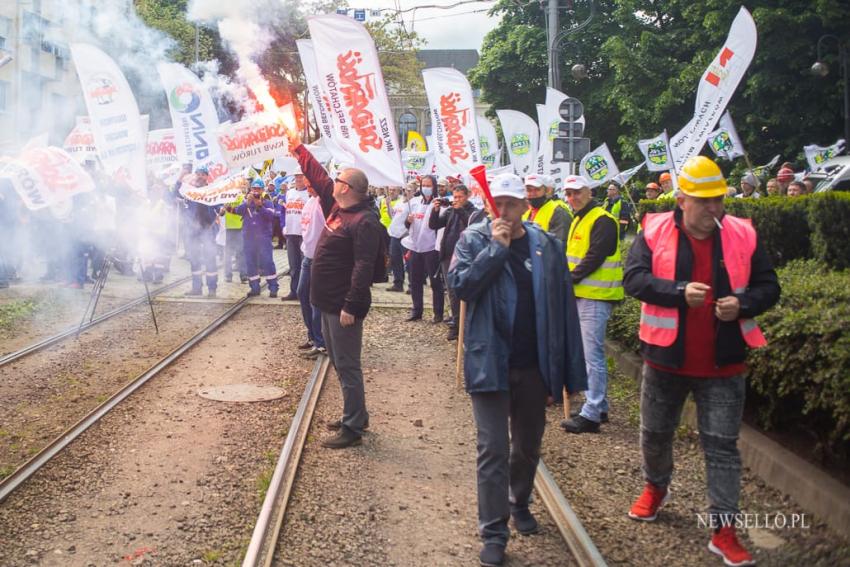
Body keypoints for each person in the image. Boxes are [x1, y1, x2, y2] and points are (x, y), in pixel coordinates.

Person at [623, 155, 780, 567]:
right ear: (681, 199)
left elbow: (769, 287)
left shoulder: (743, 233)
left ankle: (723, 529)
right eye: (704, 200)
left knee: (722, 447)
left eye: (719, 200)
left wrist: (743, 304)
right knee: (655, 434)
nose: (714, 209)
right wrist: (676, 291)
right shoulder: (653, 230)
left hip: (724, 365)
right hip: (664, 360)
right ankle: (656, 488)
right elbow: (633, 280)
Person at [448, 173, 586, 567]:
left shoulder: (546, 246)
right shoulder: (474, 240)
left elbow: (563, 311)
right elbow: (461, 288)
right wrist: (495, 249)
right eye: (498, 203)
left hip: (533, 366)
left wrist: (570, 376)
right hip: (489, 359)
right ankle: (493, 531)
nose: (504, 211)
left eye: (511, 203)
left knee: (526, 446)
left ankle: (519, 500)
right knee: (491, 448)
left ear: (526, 205)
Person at [288, 129, 385, 449]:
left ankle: (353, 427)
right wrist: (299, 149)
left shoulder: (364, 220)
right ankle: (355, 414)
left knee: (347, 364)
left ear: (349, 189)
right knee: (338, 361)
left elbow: (363, 267)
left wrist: (352, 305)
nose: (332, 183)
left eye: (339, 180)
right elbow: (318, 175)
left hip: (343, 305)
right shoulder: (338, 208)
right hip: (326, 301)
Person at [560, 175, 623, 434]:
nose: (572, 197)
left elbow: (595, 256)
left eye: (577, 192)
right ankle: (599, 405)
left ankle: (592, 413)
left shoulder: (601, 219)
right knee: (588, 353)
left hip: (595, 296)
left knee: (591, 355)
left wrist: (569, 278)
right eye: (569, 193)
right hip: (583, 294)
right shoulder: (580, 218)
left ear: (589, 192)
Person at [429, 183, 477, 341]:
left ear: (467, 196)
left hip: (464, 258)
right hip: (447, 256)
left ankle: (465, 326)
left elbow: (471, 225)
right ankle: (456, 325)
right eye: (454, 197)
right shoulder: (450, 210)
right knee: (451, 293)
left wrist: (459, 209)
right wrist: (435, 211)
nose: (456, 200)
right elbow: (434, 225)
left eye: (460, 197)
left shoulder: (472, 211)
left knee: (462, 292)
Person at [402, 175, 444, 322]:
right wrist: (408, 221)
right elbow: (407, 224)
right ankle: (416, 310)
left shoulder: (438, 203)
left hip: (431, 247)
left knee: (435, 282)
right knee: (415, 280)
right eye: (423, 185)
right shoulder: (414, 203)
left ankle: (438, 313)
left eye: (429, 185)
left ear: (434, 187)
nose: (425, 187)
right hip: (415, 246)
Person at [230, 179, 279, 298]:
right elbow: (238, 211)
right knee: (250, 263)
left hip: (263, 237)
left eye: (258, 189)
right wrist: (247, 202)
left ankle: (273, 288)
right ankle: (254, 287)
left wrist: (260, 206)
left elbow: (271, 217)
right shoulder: (246, 202)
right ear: (251, 190)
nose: (256, 191)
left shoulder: (267, 202)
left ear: (262, 190)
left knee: (267, 262)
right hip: (248, 237)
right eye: (254, 189)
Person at [296, 180, 327, 359]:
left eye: (310, 184)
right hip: (307, 256)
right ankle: (312, 335)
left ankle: (321, 342)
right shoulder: (309, 202)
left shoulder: (324, 202)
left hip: (319, 258)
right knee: (302, 293)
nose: (308, 187)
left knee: (315, 300)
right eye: (306, 185)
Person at [184, 167, 219, 298]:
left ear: (207, 176)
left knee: (210, 259)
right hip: (193, 230)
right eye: (197, 174)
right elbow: (175, 195)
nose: (199, 176)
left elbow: (219, 205)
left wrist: (220, 210)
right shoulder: (190, 191)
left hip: (208, 230)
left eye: (202, 174)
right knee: (194, 259)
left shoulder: (213, 191)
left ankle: (212, 289)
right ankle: (196, 288)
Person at [282, 167, 309, 300]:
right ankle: (294, 291)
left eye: (301, 176)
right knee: (293, 265)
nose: (298, 179)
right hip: (291, 233)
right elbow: (284, 211)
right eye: (297, 176)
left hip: (303, 234)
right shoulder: (289, 193)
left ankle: (304, 292)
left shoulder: (309, 194)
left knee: (304, 264)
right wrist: (283, 226)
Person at [522, 174, 571, 244]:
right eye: (529, 190)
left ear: (546, 190)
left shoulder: (558, 212)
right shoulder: (526, 211)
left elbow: (559, 245)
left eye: (537, 189)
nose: (532, 193)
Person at [220, 182, 248, 283]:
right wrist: (223, 209)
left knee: (240, 252)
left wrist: (229, 208)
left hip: (240, 228)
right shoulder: (226, 198)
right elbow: (221, 213)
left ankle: (243, 275)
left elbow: (243, 209)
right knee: (228, 253)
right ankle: (228, 275)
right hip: (229, 229)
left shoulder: (242, 198)